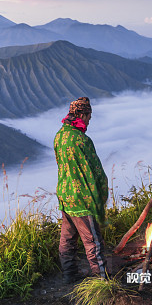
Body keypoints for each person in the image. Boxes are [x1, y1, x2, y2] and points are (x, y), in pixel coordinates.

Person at [54, 97, 110, 282]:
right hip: (83, 200)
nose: (89, 121)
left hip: (65, 195)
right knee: (93, 242)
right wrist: (102, 197)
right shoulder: (82, 140)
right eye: (88, 117)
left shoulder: (59, 136)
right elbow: (97, 172)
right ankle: (102, 281)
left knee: (67, 240)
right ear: (82, 114)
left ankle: (69, 275)